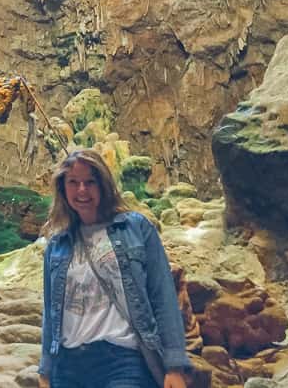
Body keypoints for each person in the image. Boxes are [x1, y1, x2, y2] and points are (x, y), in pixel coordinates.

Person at [38, 149, 190, 388]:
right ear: (62, 188)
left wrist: (174, 366)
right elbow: (51, 312)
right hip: (67, 366)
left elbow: (162, 296)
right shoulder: (57, 246)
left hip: (122, 360)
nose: (81, 191)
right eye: (73, 182)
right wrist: (45, 370)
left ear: (104, 185)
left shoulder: (135, 228)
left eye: (90, 182)